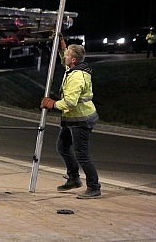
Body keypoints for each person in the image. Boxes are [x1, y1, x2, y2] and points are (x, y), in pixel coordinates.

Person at [40, 38, 101, 199]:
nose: (64, 57)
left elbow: (69, 103)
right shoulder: (75, 68)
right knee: (62, 147)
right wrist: (63, 48)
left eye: (67, 55)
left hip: (81, 119)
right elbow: (63, 60)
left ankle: (94, 187)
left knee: (82, 155)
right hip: (72, 119)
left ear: (73, 60)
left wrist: (51, 104)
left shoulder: (76, 77)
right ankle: (74, 178)